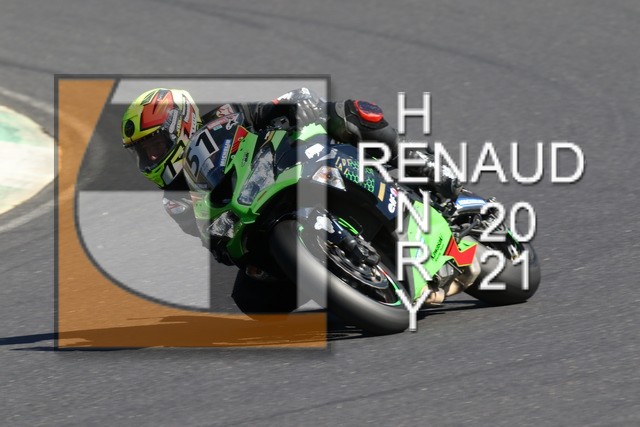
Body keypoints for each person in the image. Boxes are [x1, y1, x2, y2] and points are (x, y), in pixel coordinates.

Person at [120, 87, 460, 311]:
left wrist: (294, 105)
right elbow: (213, 242)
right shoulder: (176, 200)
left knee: (350, 114)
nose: (151, 159)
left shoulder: (224, 116)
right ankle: (345, 286)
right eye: (142, 153)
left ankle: (419, 164)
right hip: (254, 220)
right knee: (251, 299)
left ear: (180, 126)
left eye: (155, 146)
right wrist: (224, 244)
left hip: (290, 167)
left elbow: (267, 109)